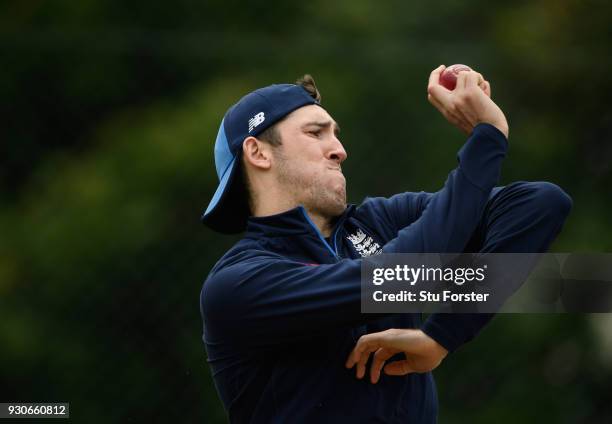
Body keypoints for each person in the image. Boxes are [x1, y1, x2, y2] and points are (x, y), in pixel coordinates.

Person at [199, 67, 572, 423]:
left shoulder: (379, 222)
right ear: (258, 152)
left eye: (336, 133)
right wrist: (488, 136)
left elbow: (538, 205)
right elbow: (396, 278)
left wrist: (441, 335)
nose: (339, 149)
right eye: (316, 133)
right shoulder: (238, 284)